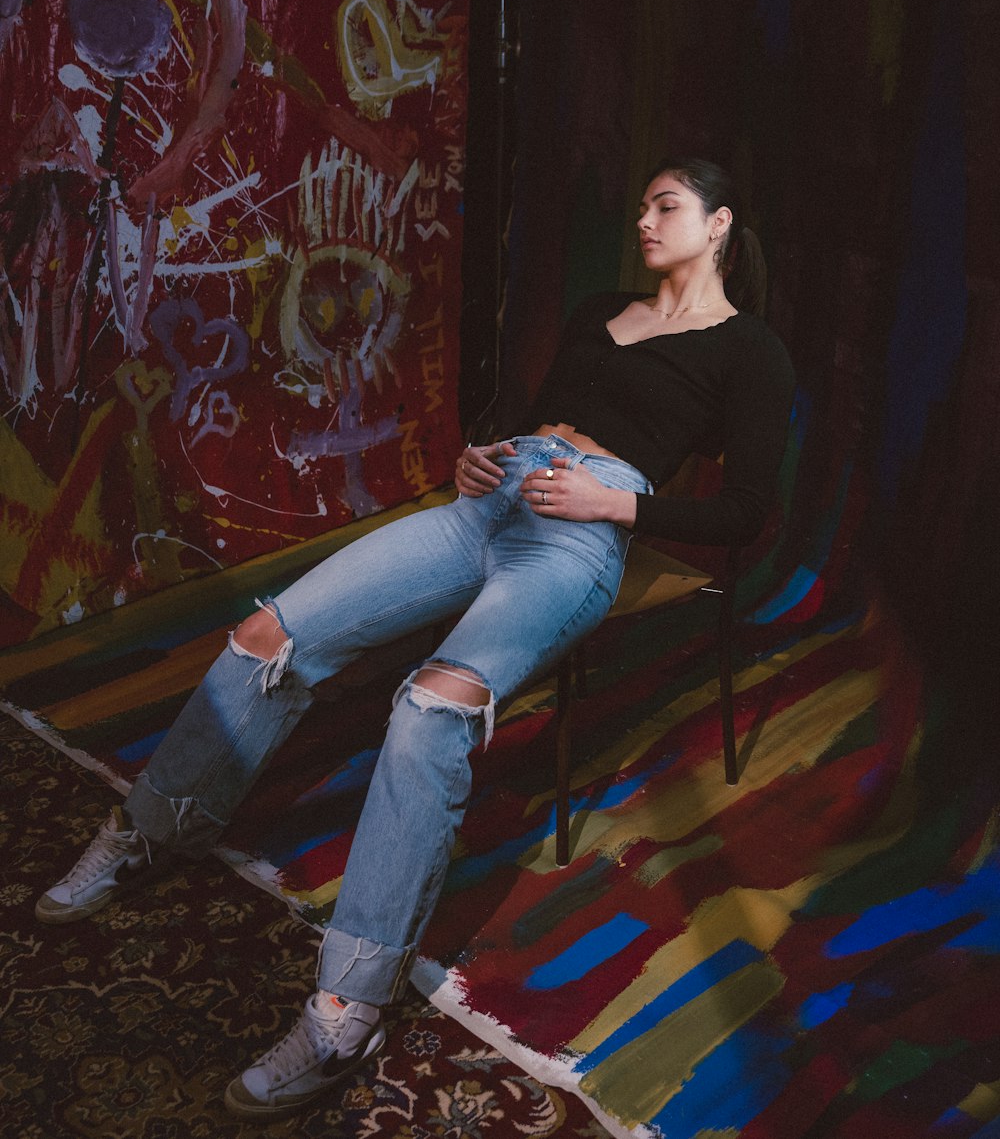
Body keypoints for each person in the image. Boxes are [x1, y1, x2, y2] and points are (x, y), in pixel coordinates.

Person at [35, 157, 795, 1120]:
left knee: (433, 707)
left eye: (666, 206)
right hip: (491, 505)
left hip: (579, 538)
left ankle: (349, 1004)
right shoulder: (601, 309)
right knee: (268, 633)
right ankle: (156, 826)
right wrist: (487, 455)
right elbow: (532, 421)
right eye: (641, 204)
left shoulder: (748, 350)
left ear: (720, 223)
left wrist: (619, 501)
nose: (644, 220)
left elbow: (746, 512)